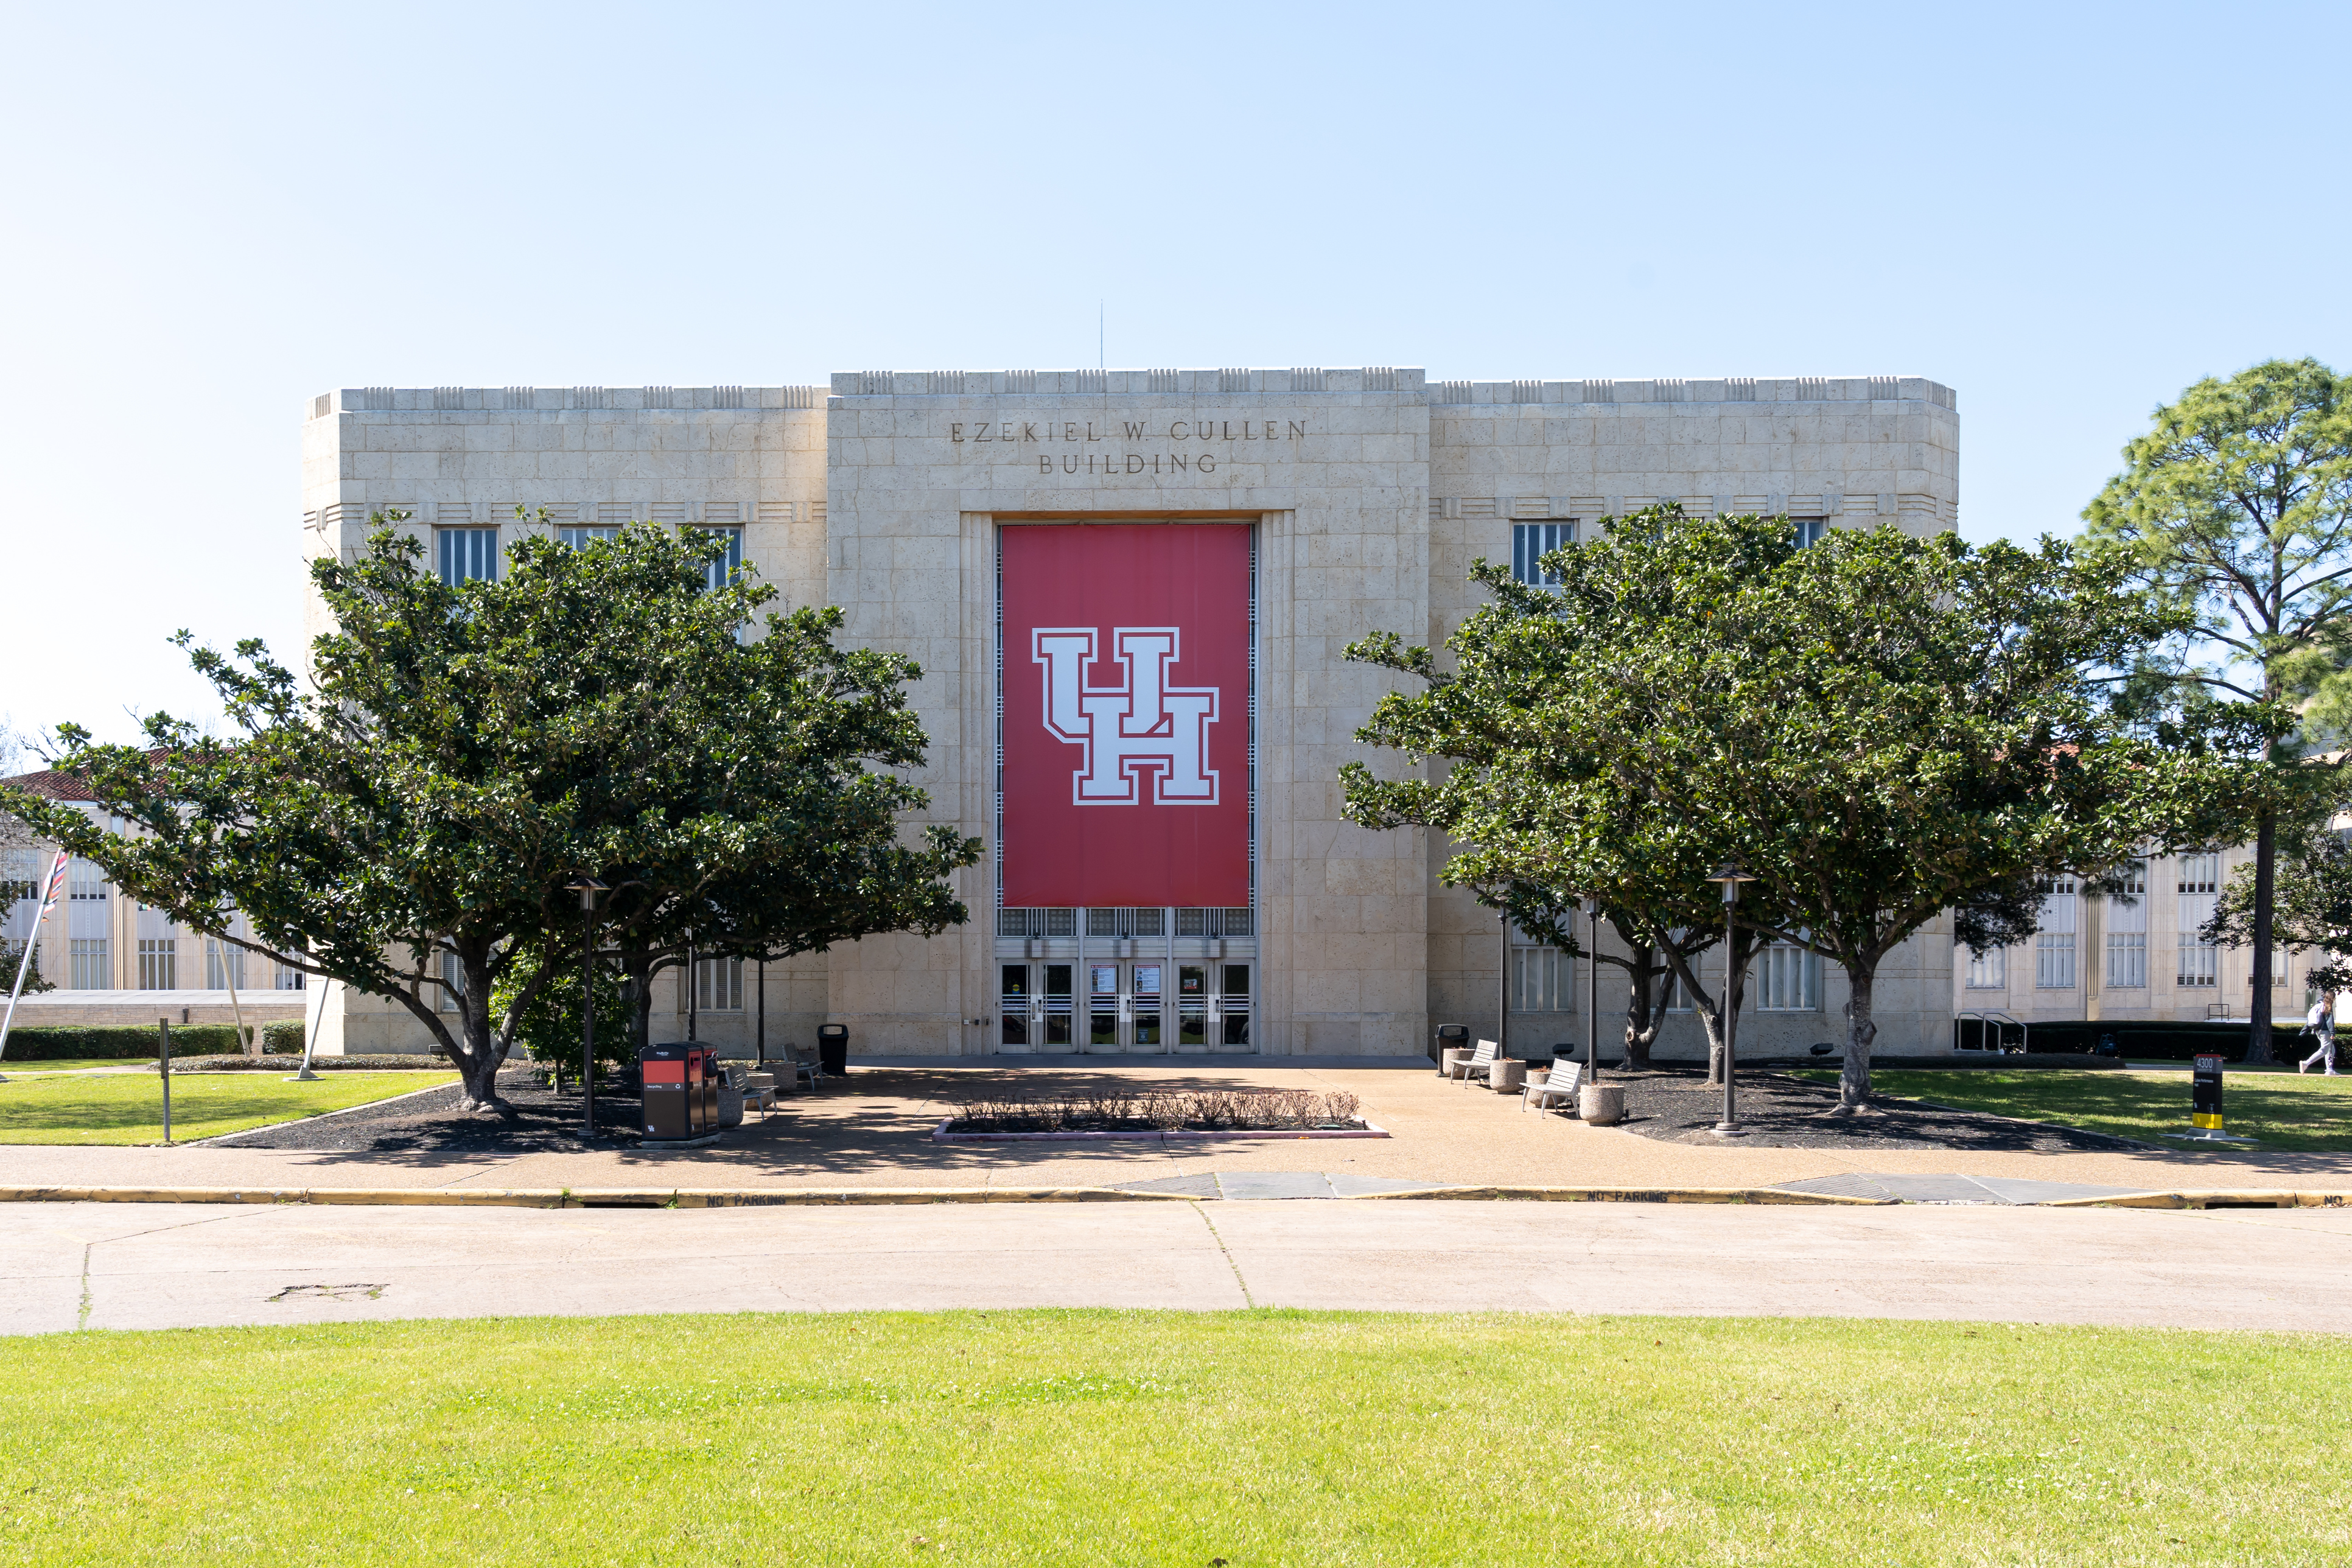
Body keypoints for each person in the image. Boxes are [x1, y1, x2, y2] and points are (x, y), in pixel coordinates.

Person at [2298, 991, 2339, 1076]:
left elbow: (2309, 1021)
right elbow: (2329, 1021)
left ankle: (2329, 1070)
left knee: (2331, 1049)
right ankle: (2306, 1063)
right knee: (2324, 1050)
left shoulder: (2318, 1006)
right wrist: (2332, 1033)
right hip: (2325, 1031)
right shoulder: (2327, 1006)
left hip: (2318, 1031)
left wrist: (2304, 1031)